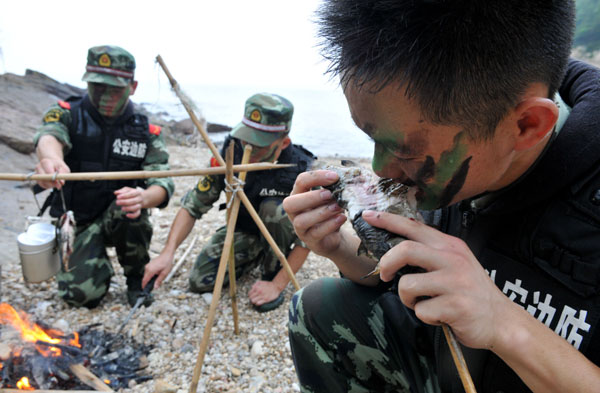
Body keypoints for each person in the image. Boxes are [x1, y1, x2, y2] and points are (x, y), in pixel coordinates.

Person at [282, 1, 600, 392]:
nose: (381, 170)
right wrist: (340, 248)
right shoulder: (468, 133)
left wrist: (503, 321)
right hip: (445, 362)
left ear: (526, 125)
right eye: (371, 139)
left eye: (406, 151)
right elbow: (407, 282)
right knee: (319, 306)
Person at [143, 93, 315, 312]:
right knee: (200, 281)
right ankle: (255, 253)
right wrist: (168, 253)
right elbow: (194, 204)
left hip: (279, 236)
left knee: (274, 210)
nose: (249, 149)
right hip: (243, 229)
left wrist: (277, 283)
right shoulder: (230, 152)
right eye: (246, 140)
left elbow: (307, 240)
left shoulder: (300, 169)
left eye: (259, 145)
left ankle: (272, 270)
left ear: (284, 143)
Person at [34, 45, 174, 309]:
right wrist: (51, 160)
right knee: (80, 297)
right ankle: (94, 264)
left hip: (121, 219)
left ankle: (136, 279)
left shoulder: (147, 132)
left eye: (115, 89)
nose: (105, 96)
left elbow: (163, 183)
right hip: (78, 221)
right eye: (98, 87)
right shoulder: (67, 113)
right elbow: (49, 136)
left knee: (130, 209)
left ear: (132, 87)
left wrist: (143, 197)